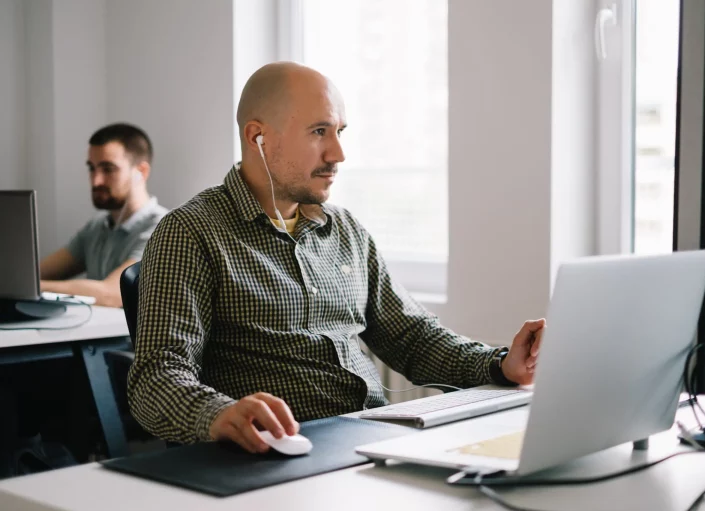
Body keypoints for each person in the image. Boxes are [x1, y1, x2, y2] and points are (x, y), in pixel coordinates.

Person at [128, 62, 546, 453]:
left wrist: (500, 364)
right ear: (259, 137)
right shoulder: (191, 232)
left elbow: (412, 338)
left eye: (340, 132)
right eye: (318, 132)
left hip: (372, 441)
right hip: (285, 454)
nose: (338, 154)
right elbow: (157, 377)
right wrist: (219, 414)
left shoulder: (345, 230)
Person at [39, 123, 168, 307]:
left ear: (141, 172)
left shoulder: (162, 229)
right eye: (92, 168)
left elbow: (113, 294)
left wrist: (33, 289)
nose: (96, 180)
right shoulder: (97, 228)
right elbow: (35, 274)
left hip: (129, 337)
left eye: (108, 169)